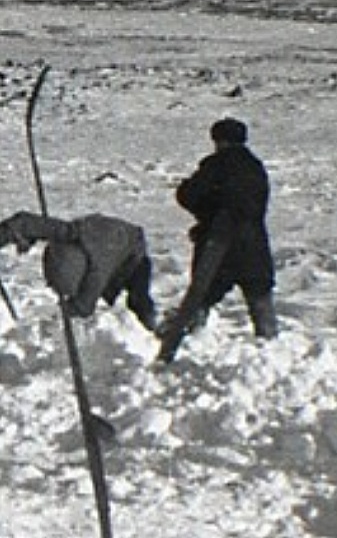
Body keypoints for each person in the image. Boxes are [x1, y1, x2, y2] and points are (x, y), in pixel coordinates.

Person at [156, 117, 277, 363]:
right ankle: (273, 356)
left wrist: (207, 215)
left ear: (218, 140)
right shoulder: (256, 168)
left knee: (200, 298)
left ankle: (171, 352)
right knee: (260, 300)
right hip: (253, 244)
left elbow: (188, 194)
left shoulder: (216, 165)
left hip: (219, 244)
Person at [0, 210, 157, 331]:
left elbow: (84, 306)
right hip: (108, 239)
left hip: (133, 258)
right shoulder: (70, 233)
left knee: (138, 301)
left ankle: (151, 335)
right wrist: (5, 233)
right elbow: (30, 224)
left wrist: (64, 318)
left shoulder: (97, 270)